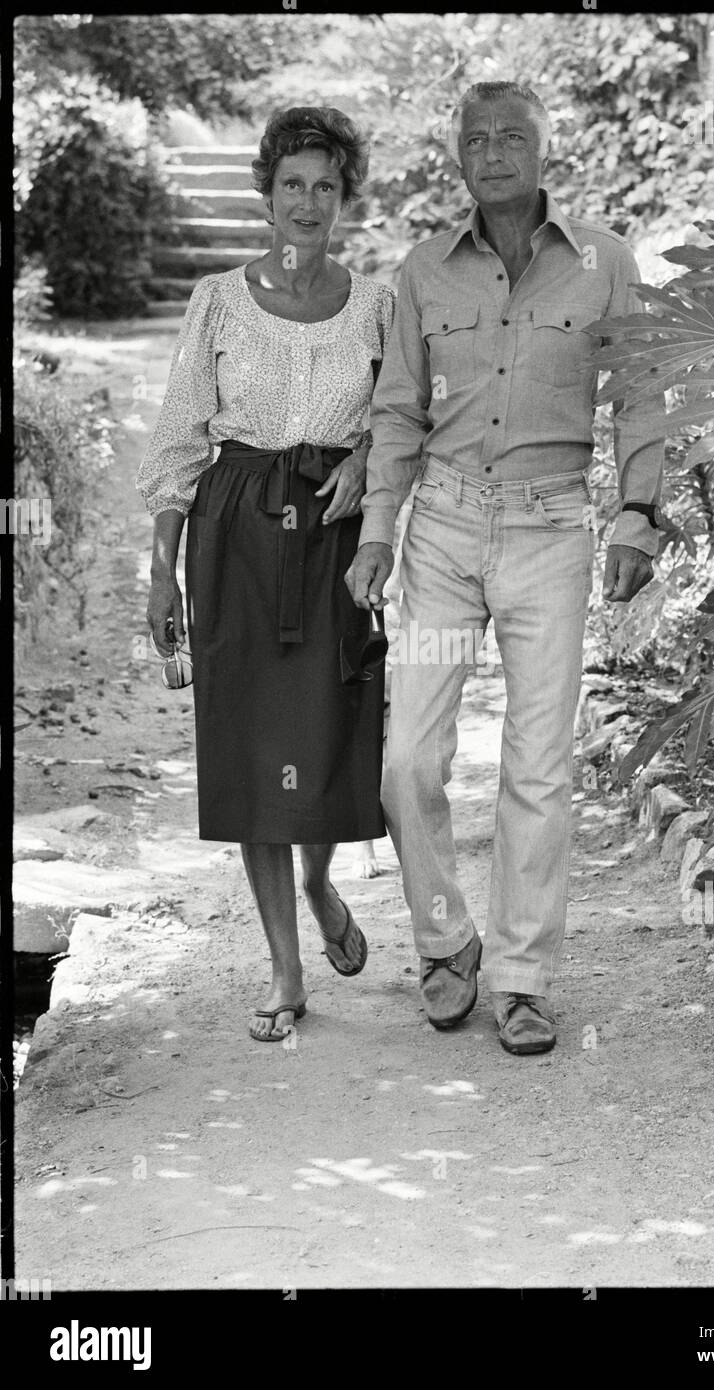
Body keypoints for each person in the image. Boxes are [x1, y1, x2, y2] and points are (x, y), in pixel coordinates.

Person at [346, 81, 665, 1055]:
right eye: (476, 139)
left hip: (547, 533)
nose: (493, 153)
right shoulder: (422, 272)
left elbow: (643, 394)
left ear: (543, 150)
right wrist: (376, 531)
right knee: (409, 761)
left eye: (512, 137)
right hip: (441, 530)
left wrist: (636, 520)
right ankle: (447, 942)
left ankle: (524, 978)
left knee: (538, 766)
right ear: (459, 158)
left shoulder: (604, 263)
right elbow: (397, 410)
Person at [138, 106, 394, 1042]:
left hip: (334, 533)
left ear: (344, 198)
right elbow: (177, 437)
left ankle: (322, 882)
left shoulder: (375, 304)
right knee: (252, 751)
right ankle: (286, 969)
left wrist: (366, 458)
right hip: (236, 531)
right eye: (292, 184)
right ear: (267, 191)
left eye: (326, 186)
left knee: (333, 732)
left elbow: (404, 414)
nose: (308, 202)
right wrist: (162, 570)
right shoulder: (215, 300)